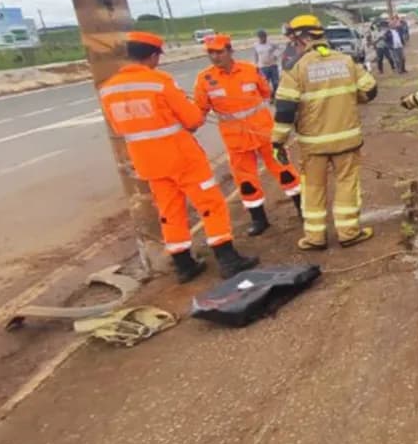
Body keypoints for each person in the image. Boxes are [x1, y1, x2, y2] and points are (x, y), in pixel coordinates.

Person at [98, 31, 259, 282]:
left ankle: (184, 265)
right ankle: (228, 259)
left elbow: (119, 129)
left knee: (169, 211)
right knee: (210, 205)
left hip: (148, 162)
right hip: (182, 158)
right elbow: (193, 119)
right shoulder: (159, 81)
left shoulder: (108, 90)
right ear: (152, 56)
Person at [274, 15, 379, 251]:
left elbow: (285, 110)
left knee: (313, 189)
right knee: (347, 185)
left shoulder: (296, 69)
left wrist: (278, 142)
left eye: (294, 38)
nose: (293, 44)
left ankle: (315, 238)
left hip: (313, 145)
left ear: (304, 38)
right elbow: (370, 90)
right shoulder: (346, 61)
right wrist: (350, 98)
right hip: (347, 140)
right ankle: (349, 232)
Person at [195, 34, 302, 236]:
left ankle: (302, 209)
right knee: (246, 182)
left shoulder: (250, 70)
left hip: (264, 133)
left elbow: (265, 93)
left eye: (219, 52)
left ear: (230, 51)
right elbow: (199, 110)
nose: (215, 57)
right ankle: (259, 219)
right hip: (236, 140)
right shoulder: (204, 79)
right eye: (211, 53)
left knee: (285, 170)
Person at [253, 29, 280, 98]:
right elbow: (256, 55)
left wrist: (275, 55)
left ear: (266, 36)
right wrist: (256, 64)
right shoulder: (256, 45)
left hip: (273, 66)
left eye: (264, 37)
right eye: (261, 37)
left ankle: (275, 96)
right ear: (258, 37)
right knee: (265, 84)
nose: (262, 38)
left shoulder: (271, 43)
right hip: (263, 67)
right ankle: (269, 97)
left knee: (275, 83)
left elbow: (279, 48)